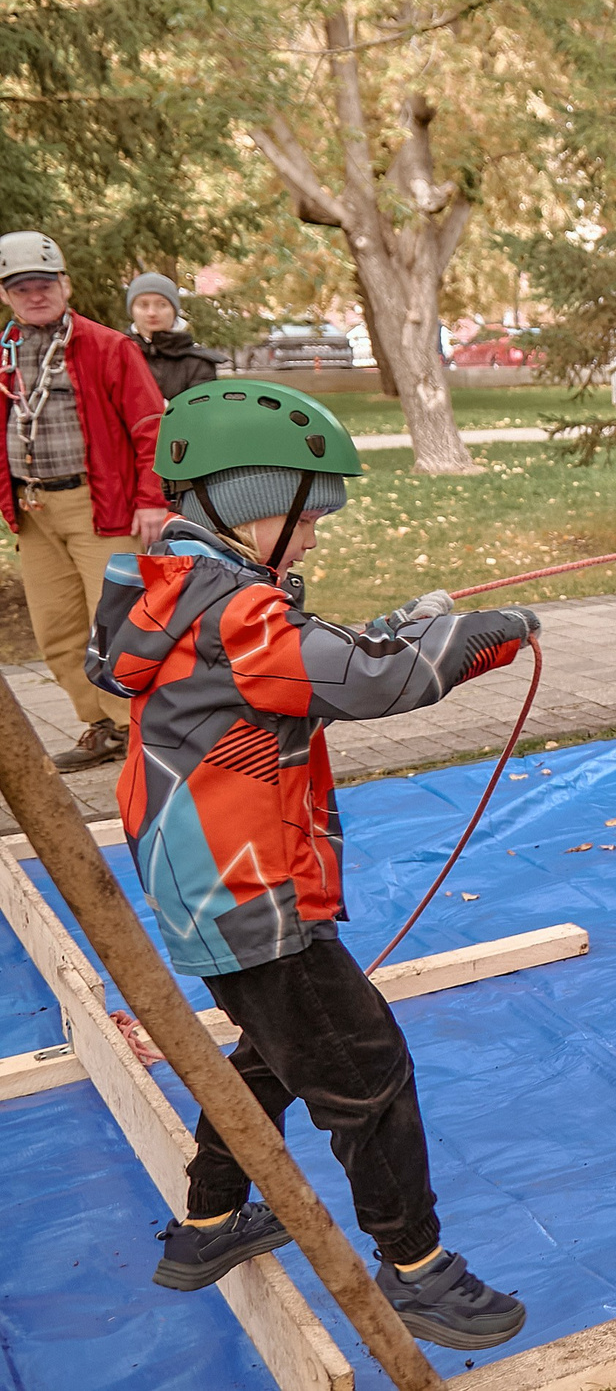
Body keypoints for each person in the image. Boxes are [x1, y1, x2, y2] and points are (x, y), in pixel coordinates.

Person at [95, 380, 543, 1351]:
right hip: (244, 887)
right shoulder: (234, 610)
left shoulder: (185, 590)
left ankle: (210, 1223)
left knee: (274, 1053)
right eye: (304, 518)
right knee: (365, 1071)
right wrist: (476, 634)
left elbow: (321, 658)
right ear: (249, 503)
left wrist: (413, 620)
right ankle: (416, 1269)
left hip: (212, 877)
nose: (311, 540)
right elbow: (373, 679)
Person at [0, 230, 171, 771]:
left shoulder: (106, 346)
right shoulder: (5, 352)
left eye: (44, 284)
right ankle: (102, 726)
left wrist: (151, 499)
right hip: (33, 509)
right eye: (21, 287)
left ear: (65, 285)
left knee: (119, 621)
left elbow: (150, 425)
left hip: (100, 504)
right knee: (57, 628)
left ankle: (140, 728)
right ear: (5, 294)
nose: (34, 295)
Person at [125, 271, 221, 401]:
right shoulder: (119, 356)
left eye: (162, 304)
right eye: (143, 305)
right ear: (132, 311)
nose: (152, 313)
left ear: (174, 310)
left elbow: (202, 409)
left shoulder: (197, 363)